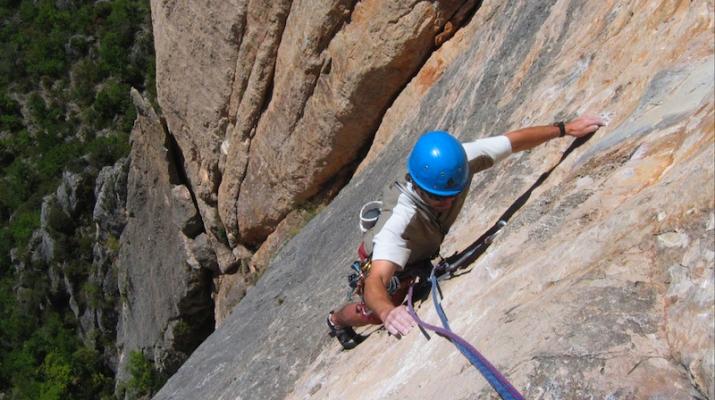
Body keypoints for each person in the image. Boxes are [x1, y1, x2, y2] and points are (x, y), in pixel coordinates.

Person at [327, 116, 605, 349]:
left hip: (419, 250)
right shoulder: (399, 221)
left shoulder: (459, 162)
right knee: (374, 310)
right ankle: (337, 320)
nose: (448, 202)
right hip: (390, 260)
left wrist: (564, 128)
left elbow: (513, 141)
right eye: (439, 198)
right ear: (418, 187)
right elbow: (377, 280)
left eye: (453, 194)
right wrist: (387, 312)